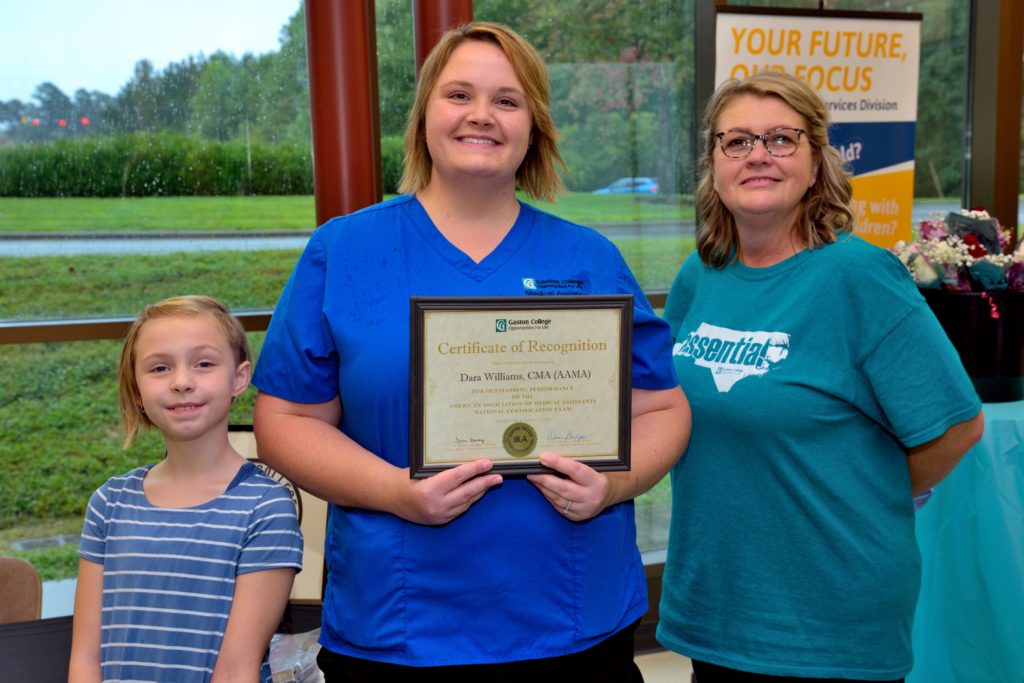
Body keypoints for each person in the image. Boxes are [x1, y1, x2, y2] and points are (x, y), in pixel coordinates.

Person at [252, 21, 690, 682]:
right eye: (459, 94)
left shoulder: (589, 258)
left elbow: (662, 407)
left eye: (507, 101)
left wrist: (615, 485)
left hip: (573, 622)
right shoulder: (343, 251)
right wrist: (399, 493)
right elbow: (286, 423)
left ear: (533, 125)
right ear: (425, 111)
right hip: (401, 630)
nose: (481, 115)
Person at [657, 71, 984, 682]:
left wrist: (869, 488)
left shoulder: (860, 278)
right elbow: (665, 410)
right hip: (717, 607)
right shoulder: (700, 275)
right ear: (715, 164)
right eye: (737, 141)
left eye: (781, 139)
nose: (758, 155)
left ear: (815, 163)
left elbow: (958, 427)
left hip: (829, 619)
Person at [69, 295, 303, 683]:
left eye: (204, 364)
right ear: (137, 388)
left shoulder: (265, 508)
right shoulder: (109, 503)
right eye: (160, 368)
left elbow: (234, 671)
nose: (182, 382)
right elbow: (85, 660)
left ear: (240, 378)